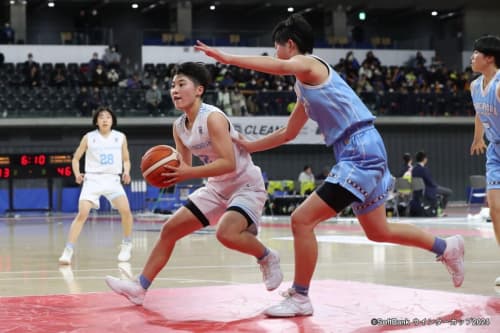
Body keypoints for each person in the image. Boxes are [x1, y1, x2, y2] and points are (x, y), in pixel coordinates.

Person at [195, 13, 464, 317]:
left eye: (276, 48)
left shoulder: (311, 64)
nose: (275, 55)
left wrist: (225, 57)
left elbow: (281, 66)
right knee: (378, 230)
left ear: (290, 45)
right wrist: (249, 144)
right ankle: (447, 247)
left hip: (359, 150)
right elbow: (289, 132)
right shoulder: (304, 87)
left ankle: (300, 296)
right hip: (362, 149)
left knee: (301, 220)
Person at [104, 62, 283, 305]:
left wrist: (187, 173)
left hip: (245, 185)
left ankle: (267, 256)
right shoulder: (179, 126)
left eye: (181, 84)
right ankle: (139, 287)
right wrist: (163, 172)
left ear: (198, 90)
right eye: (172, 86)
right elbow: (183, 166)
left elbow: (228, 163)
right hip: (216, 188)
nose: (174, 90)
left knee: (226, 233)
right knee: (169, 230)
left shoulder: (213, 118)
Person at [58, 106, 134, 265]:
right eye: (101, 117)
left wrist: (126, 172)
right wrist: (77, 174)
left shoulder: (120, 137)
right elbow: (75, 158)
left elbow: (126, 159)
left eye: (108, 117)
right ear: (96, 121)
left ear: (112, 120)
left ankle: (126, 245)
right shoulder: (89, 137)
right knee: (82, 214)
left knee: (126, 211)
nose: (105, 119)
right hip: (92, 179)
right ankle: (68, 250)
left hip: (112, 179)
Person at [469, 34, 500, 286]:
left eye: (476, 53)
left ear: (489, 58)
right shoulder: (474, 86)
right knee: (495, 208)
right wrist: (478, 138)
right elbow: (480, 114)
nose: (472, 57)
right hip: (494, 152)